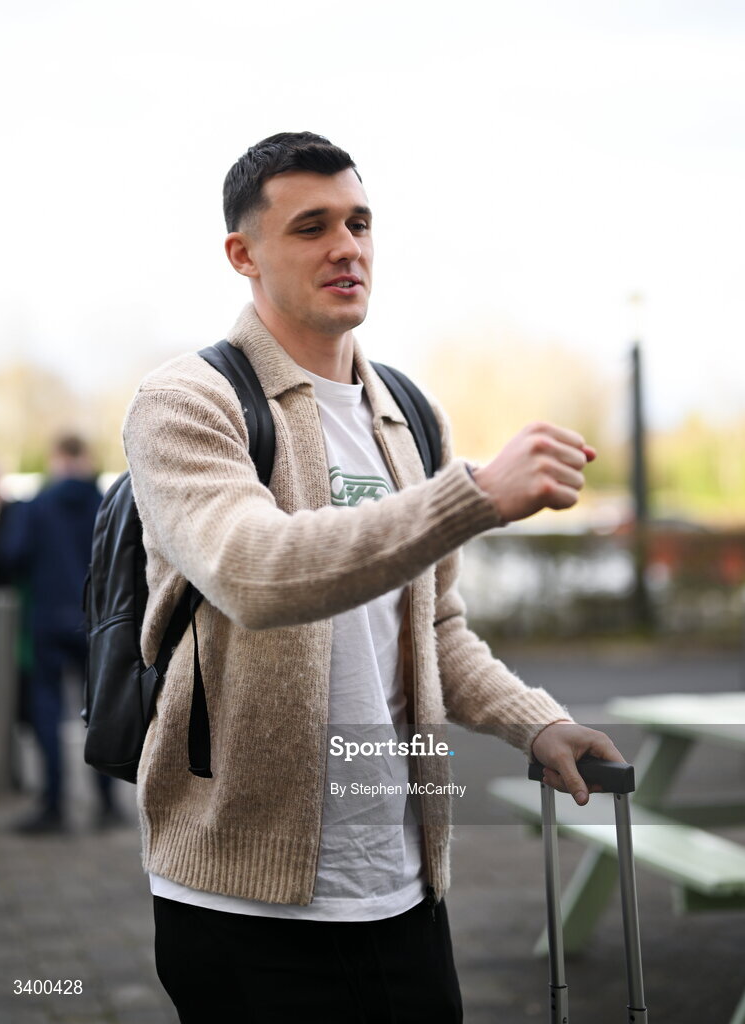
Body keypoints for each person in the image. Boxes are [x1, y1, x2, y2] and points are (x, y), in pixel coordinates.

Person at [123, 132, 624, 1023]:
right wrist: (472, 494)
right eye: (311, 226)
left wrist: (534, 722)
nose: (346, 246)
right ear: (243, 254)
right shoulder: (186, 401)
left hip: (403, 887)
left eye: (358, 222)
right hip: (245, 902)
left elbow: (433, 628)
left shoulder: (408, 409)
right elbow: (254, 573)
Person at [1, 435, 120, 833]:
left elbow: (13, 556)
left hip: (47, 623)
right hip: (95, 624)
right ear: (85, 458)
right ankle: (107, 805)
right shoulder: (106, 503)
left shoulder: (37, 505)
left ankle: (54, 807)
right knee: (100, 716)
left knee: (48, 715)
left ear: (57, 459)